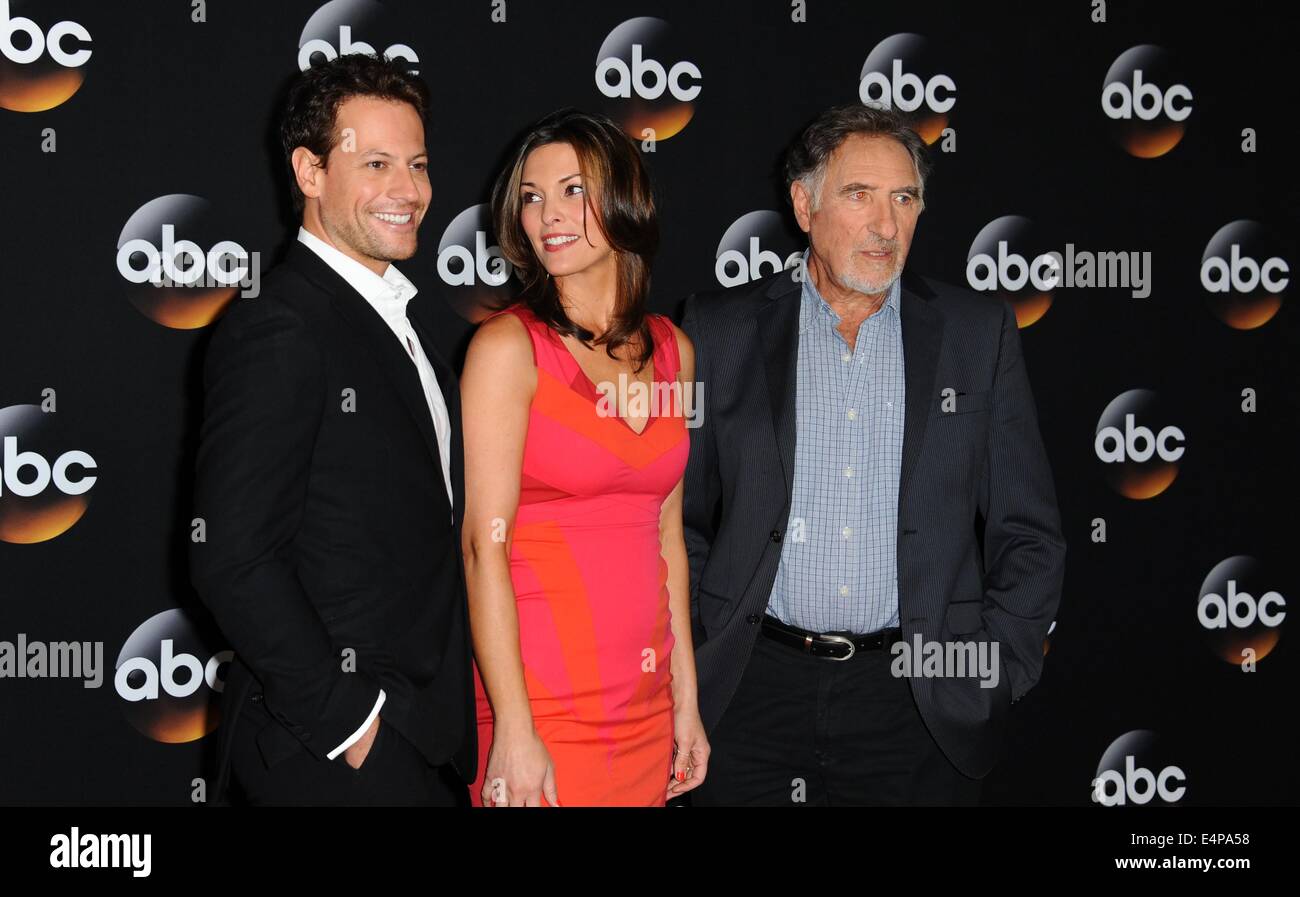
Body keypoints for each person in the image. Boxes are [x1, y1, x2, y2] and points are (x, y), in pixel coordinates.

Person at [682, 103, 1066, 806]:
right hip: (750, 695)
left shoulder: (976, 335)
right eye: (859, 194)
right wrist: (707, 640)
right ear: (804, 204)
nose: (886, 225)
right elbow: (680, 520)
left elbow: (1029, 531)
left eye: (905, 197)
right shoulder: (720, 331)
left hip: (918, 702)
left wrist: (994, 670)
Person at [189, 53, 474, 806]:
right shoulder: (280, 328)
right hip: (332, 756)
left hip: (423, 737)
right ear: (310, 173)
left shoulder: (406, 322)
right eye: (375, 163)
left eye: (416, 164)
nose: (408, 190)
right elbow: (231, 555)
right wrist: (351, 725)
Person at [460, 108, 709, 806]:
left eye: (573, 189)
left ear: (626, 198)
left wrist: (686, 699)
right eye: (532, 196)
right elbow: (484, 546)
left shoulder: (674, 351)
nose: (548, 214)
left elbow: (669, 537)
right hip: (540, 708)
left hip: (646, 705)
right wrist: (514, 725)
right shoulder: (507, 351)